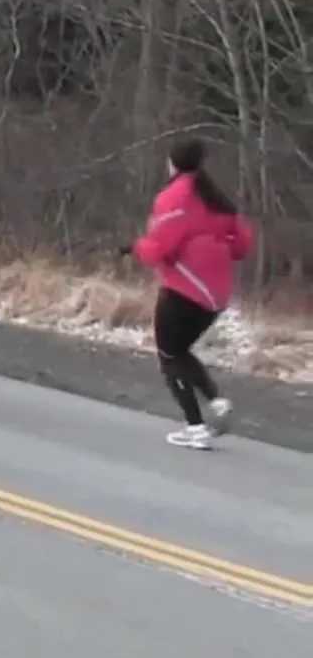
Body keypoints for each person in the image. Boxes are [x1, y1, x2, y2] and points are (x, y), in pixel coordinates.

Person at [127, 139, 251, 450]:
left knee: (169, 357)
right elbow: (242, 245)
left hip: (185, 289)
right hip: (216, 296)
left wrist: (135, 248)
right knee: (180, 351)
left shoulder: (175, 197)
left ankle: (196, 428)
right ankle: (217, 401)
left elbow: (160, 248)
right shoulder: (215, 198)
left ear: (173, 164)